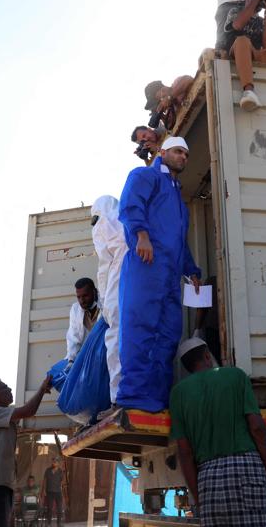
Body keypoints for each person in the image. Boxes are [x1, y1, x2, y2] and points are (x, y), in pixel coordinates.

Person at [117, 136, 202, 412]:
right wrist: (141, 236)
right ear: (163, 152)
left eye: (187, 154)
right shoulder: (144, 176)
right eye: (178, 151)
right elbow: (131, 205)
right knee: (140, 328)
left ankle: (156, 399)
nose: (183, 157)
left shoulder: (177, 197)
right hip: (146, 264)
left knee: (168, 334)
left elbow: (180, 240)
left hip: (171, 276)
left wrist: (191, 270)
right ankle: (133, 396)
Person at [170, 337, 266, 526]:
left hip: (209, 479)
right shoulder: (236, 376)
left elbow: (185, 453)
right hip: (248, 471)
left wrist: (199, 497)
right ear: (207, 356)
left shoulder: (179, 393)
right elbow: (258, 429)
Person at [0, 375, 52, 527]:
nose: (10, 389)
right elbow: (28, 410)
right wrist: (42, 390)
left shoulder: (5, 417)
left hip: (3, 488)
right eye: (5, 388)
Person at [91, 195, 129, 409]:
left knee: (115, 339)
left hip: (116, 283)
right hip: (137, 280)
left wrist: (103, 301)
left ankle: (118, 397)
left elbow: (104, 267)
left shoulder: (102, 224)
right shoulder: (127, 222)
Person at [65, 278, 101, 368]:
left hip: (104, 355)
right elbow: (73, 337)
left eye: (85, 296)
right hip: (84, 357)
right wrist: (71, 360)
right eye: (78, 297)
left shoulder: (105, 305)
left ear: (94, 292)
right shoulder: (75, 309)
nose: (82, 301)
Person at [41, 458, 64, 526]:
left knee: (59, 508)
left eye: (55, 462)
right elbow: (45, 480)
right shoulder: (48, 470)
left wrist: (62, 489)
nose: (54, 463)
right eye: (53, 461)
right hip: (49, 491)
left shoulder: (60, 471)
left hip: (58, 492)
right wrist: (44, 490)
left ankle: (59, 523)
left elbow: (62, 481)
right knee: (49, 508)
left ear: (58, 463)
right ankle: (49, 523)